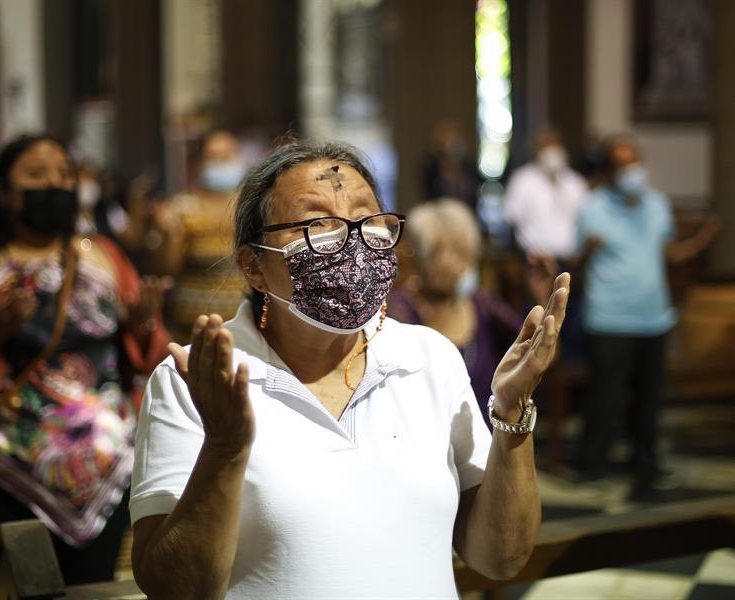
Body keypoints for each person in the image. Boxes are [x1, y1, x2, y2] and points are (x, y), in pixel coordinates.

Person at [129, 140, 571, 598]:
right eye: (318, 224)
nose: (353, 240)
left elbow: (500, 558)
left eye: (368, 218)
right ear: (254, 265)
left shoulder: (429, 358)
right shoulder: (196, 380)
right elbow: (175, 589)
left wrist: (513, 413)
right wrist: (224, 447)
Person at [0, 134, 171, 595]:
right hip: (0, 468)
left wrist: (144, 326)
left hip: (104, 469)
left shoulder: (104, 257)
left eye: (63, 174)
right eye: (36, 174)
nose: (54, 182)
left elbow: (150, 358)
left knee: (90, 589)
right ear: (3, 192)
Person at [575, 135, 721, 498]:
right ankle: (595, 462)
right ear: (609, 172)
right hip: (610, 318)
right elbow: (576, 269)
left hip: (653, 316)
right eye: (623, 165)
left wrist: (701, 241)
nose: (632, 172)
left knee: (650, 397)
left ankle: (645, 461)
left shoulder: (657, 205)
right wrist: (588, 252)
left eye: (635, 163)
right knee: (606, 396)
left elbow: (665, 253)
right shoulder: (593, 209)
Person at [388, 199, 555, 426]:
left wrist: (541, 299)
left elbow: (539, 353)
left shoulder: (480, 302)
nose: (461, 264)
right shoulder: (400, 308)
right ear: (421, 257)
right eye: (445, 252)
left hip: (487, 441)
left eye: (464, 252)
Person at [154, 130, 249, 341]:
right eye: (213, 157)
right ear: (200, 162)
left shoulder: (251, 206)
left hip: (245, 330)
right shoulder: (183, 208)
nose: (220, 163)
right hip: (192, 331)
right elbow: (166, 269)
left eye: (226, 157)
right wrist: (170, 235)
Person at [505, 129, 589, 261]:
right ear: (537, 150)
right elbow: (512, 218)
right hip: (533, 259)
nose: (552, 151)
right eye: (546, 146)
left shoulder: (576, 183)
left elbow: (585, 221)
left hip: (568, 259)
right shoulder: (522, 179)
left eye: (556, 145)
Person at [420, 120, 481, 212]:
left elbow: (474, 196)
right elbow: (429, 198)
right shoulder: (430, 169)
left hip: (466, 215)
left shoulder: (470, 169)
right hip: (438, 215)